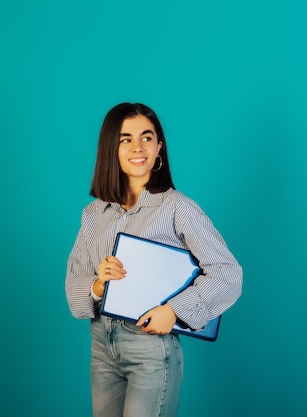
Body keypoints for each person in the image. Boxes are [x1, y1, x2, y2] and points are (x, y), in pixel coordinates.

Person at [65, 102, 243, 417]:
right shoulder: (93, 215)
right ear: (112, 148)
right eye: (126, 139)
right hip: (102, 347)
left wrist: (173, 311)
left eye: (147, 138)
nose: (138, 147)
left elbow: (227, 273)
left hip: (150, 348)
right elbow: (73, 289)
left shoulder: (178, 209)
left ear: (159, 146)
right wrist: (98, 284)